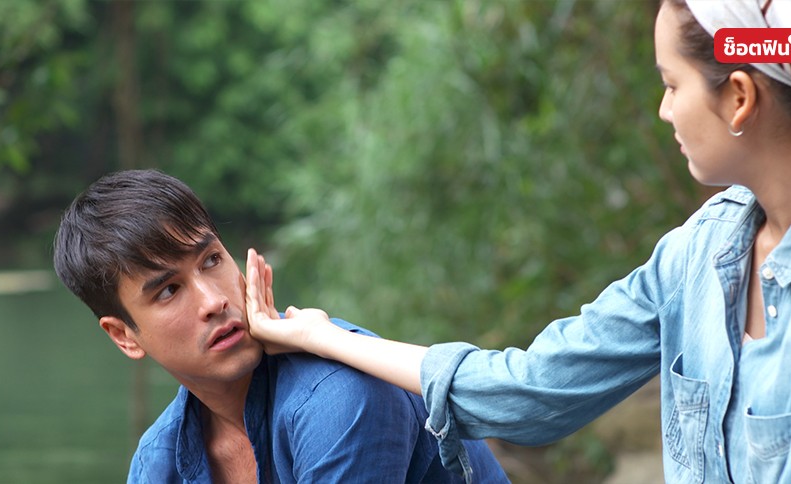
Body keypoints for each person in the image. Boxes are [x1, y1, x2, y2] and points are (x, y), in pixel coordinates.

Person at [246, 1, 791, 482]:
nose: (663, 110)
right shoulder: (701, 251)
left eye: (671, 84)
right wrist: (323, 336)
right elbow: (530, 391)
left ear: (739, 97)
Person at [52, 169, 508, 483]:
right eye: (169, 290)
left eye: (211, 260)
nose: (214, 301)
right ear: (124, 335)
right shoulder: (158, 461)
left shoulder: (339, 394)